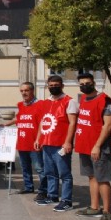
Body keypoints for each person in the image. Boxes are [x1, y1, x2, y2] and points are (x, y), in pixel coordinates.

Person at [74, 73, 111, 220]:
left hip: (98, 146)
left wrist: (97, 145)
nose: (84, 86)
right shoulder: (84, 99)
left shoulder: (104, 100)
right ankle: (94, 207)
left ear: (94, 83)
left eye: (87, 83)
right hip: (85, 145)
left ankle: (107, 212)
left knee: (102, 178)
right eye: (82, 84)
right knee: (91, 176)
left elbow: (108, 125)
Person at [34, 75, 78, 211]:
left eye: (56, 85)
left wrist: (68, 142)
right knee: (50, 172)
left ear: (62, 85)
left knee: (64, 173)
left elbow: (72, 123)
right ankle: (52, 195)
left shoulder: (69, 101)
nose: (53, 87)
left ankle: (66, 200)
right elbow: (43, 121)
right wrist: (38, 138)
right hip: (47, 143)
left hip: (61, 144)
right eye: (51, 85)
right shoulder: (45, 102)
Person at [5, 82, 47, 200]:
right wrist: (5, 124)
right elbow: (18, 118)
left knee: (39, 168)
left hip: (34, 143)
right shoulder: (21, 105)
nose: (24, 93)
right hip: (22, 142)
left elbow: (42, 123)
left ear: (32, 91)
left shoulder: (40, 105)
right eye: (22, 91)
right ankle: (28, 186)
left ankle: (44, 189)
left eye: (26, 90)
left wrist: (38, 139)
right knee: (25, 166)